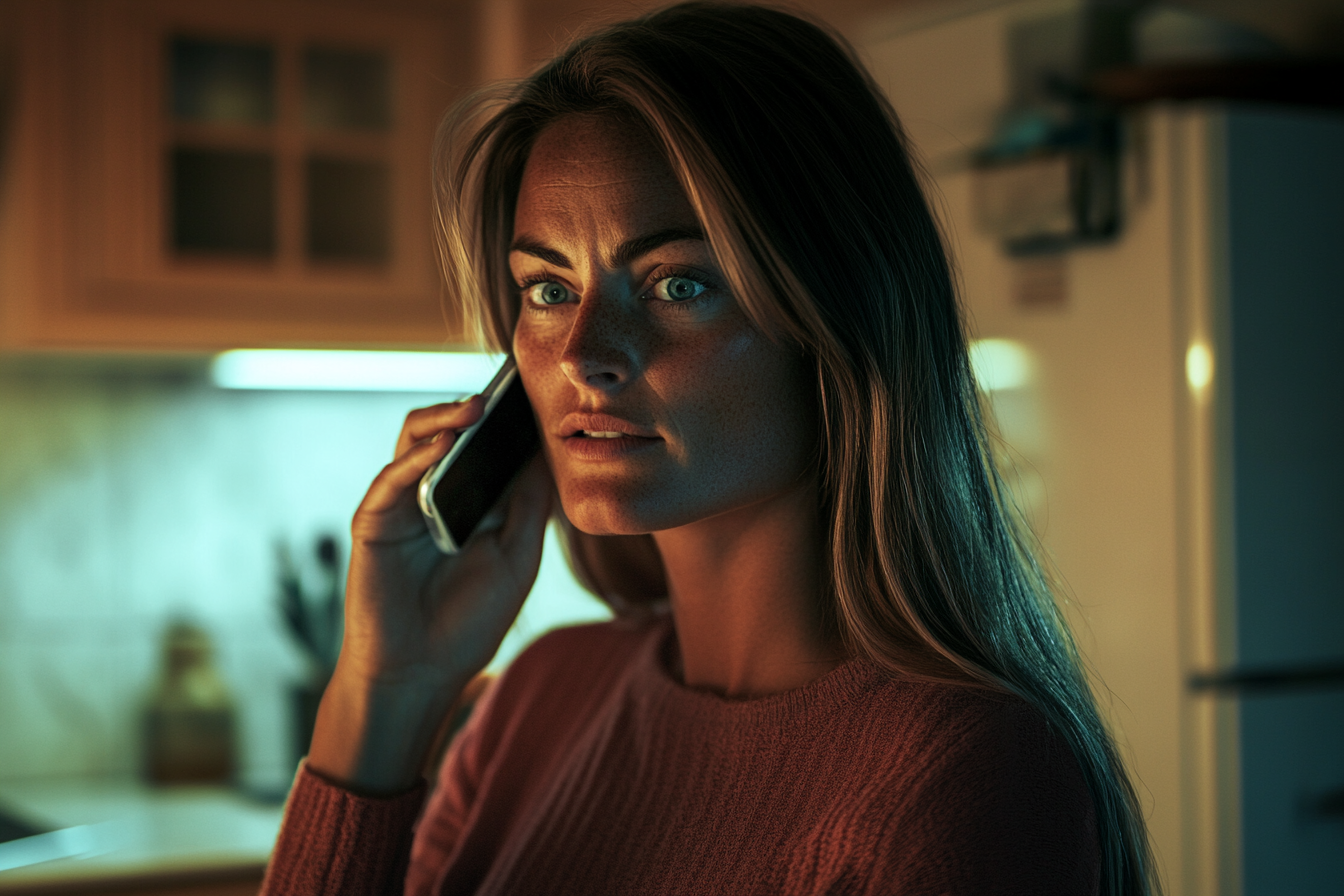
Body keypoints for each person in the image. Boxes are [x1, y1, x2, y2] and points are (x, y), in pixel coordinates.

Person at [260, 4, 1158, 894]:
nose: (582, 354)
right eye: (546, 287)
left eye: (676, 283)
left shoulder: (966, 777)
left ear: (835, 319)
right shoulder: (537, 698)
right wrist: (385, 690)